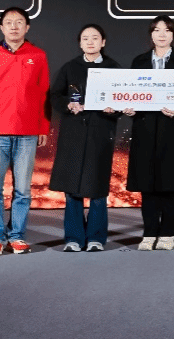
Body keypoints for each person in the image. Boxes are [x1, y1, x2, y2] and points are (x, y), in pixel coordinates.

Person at [0, 7, 50, 256]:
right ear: (1, 28)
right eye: (9, 22)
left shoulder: (38, 55)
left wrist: (43, 127)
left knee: (23, 191)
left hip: (27, 132)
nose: (14, 27)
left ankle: (17, 236)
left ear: (27, 27)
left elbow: (44, 95)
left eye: (19, 22)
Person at [48, 24, 122, 252]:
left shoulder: (114, 68)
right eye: (85, 38)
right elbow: (55, 95)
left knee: (98, 187)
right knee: (72, 187)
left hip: (101, 132)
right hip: (73, 133)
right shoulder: (70, 67)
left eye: (95, 38)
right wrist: (68, 105)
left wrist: (115, 108)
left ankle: (96, 238)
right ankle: (73, 238)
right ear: (80, 43)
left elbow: (123, 98)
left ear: (103, 42)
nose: (90, 42)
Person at [125, 15, 174, 251]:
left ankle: (167, 233)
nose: (162, 34)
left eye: (167, 30)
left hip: (172, 128)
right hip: (145, 128)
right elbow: (131, 92)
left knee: (171, 183)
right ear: (151, 34)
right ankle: (149, 232)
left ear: (173, 34)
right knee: (148, 183)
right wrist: (130, 108)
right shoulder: (139, 61)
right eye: (157, 30)